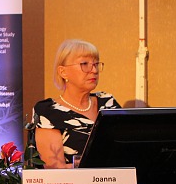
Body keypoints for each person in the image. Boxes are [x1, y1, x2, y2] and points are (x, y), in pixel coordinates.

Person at [32, 39, 120, 168]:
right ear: (63, 72)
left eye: (96, 64)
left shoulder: (107, 103)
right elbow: (55, 169)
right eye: (84, 64)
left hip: (116, 180)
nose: (94, 70)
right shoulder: (49, 112)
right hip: (74, 182)